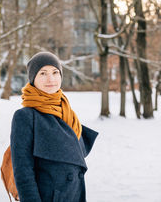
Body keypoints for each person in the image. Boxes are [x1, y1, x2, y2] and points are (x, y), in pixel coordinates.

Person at [10, 52, 98, 202]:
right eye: (43, 73)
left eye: (55, 72)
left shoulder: (67, 112)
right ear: (33, 79)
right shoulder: (25, 116)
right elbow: (23, 172)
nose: (50, 79)